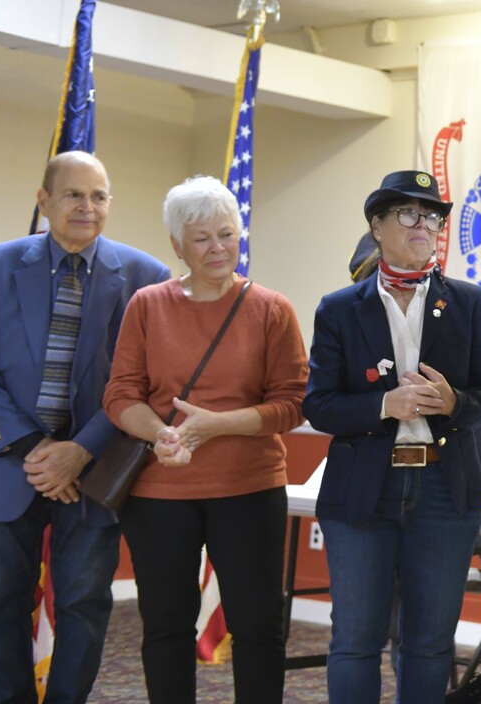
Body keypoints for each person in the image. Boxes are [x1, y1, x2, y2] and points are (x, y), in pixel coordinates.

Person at [103, 176, 307, 703]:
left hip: (249, 488)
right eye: (201, 238)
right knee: (166, 625)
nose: (218, 248)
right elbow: (121, 393)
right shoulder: (148, 306)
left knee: (258, 624)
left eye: (227, 234)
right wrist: (163, 434)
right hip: (159, 495)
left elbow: (293, 402)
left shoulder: (272, 309)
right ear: (176, 246)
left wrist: (217, 424)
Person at [304, 170, 481, 702]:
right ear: (377, 225)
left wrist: (455, 403)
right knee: (355, 640)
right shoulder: (339, 308)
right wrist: (381, 405)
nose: (426, 225)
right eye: (409, 213)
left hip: (443, 491)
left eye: (434, 215)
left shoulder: (468, 302)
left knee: (430, 643)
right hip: (363, 489)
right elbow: (317, 405)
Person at [0, 152, 169, 704]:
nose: (87, 207)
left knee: (84, 604)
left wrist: (77, 450)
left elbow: (143, 382)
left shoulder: (147, 279)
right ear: (44, 202)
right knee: (0, 601)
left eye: (98, 196)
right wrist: (38, 448)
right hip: (9, 467)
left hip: (97, 471)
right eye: (73, 195)